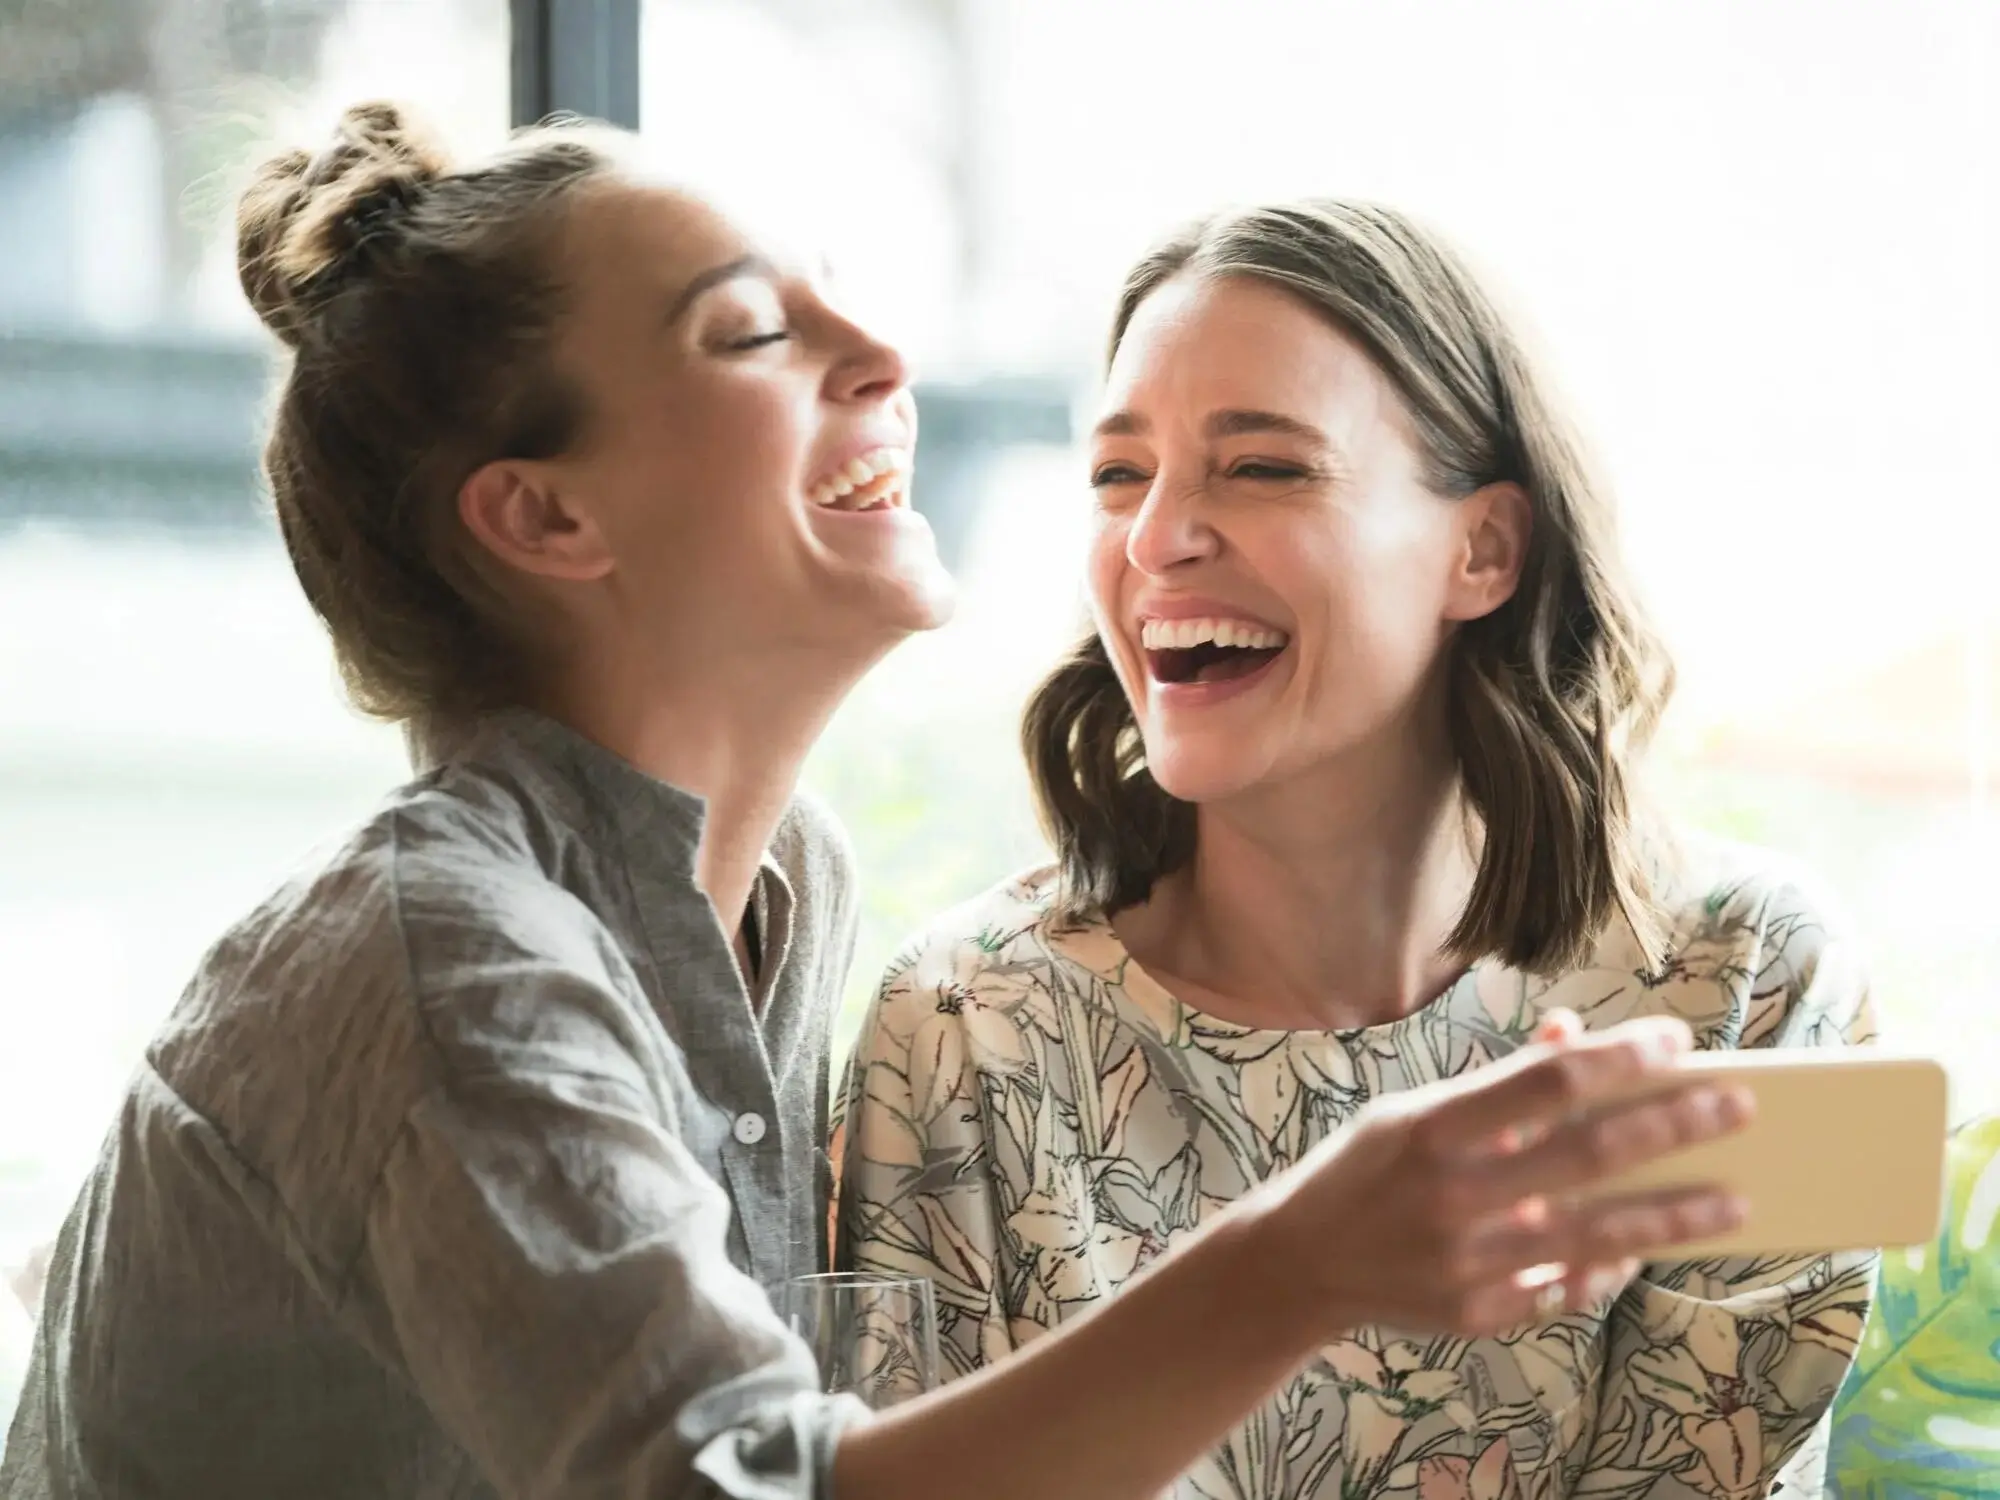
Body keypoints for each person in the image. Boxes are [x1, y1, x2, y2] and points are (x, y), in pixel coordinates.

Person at [3, 109, 1756, 1500]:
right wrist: (1298, 1266)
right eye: (757, 330)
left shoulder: (781, 895)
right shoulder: (448, 965)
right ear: (545, 521)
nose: (879, 353)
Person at [837, 199, 1878, 1499]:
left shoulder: (1758, 983)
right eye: (1118, 474)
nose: (1156, 536)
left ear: (1483, 547)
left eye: (1262, 467)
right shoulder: (955, 1023)